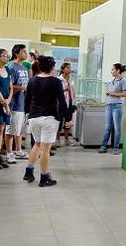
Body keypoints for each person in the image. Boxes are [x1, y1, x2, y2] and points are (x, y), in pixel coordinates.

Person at [24, 56, 69, 187]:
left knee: (37, 145)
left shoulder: (32, 80)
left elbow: (27, 101)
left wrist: (28, 114)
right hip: (49, 118)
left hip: (33, 117)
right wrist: (68, 119)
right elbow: (62, 102)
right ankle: (44, 177)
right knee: (45, 149)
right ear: (52, 68)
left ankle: (29, 171)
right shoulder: (55, 82)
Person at [5, 44, 30, 162]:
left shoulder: (24, 68)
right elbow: (8, 86)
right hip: (13, 104)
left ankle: (18, 150)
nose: (26, 53)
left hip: (22, 103)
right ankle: (9, 152)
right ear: (16, 53)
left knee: (19, 129)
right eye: (23, 51)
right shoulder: (11, 67)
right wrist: (22, 88)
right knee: (10, 129)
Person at [98, 63, 126, 155]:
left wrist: (112, 93)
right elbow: (111, 92)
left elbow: (125, 94)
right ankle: (103, 146)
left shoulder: (123, 80)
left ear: (118, 70)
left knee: (117, 128)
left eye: (112, 69)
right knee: (107, 128)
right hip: (109, 106)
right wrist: (109, 94)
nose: (111, 71)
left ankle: (116, 148)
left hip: (117, 107)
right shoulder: (113, 80)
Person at [57, 62, 77, 146]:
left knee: (68, 122)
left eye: (70, 68)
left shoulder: (71, 79)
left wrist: (74, 103)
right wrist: (65, 89)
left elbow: (74, 92)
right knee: (59, 122)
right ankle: (57, 140)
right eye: (67, 68)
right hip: (61, 103)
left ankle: (66, 139)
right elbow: (57, 92)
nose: (69, 69)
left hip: (70, 102)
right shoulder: (59, 79)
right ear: (63, 69)